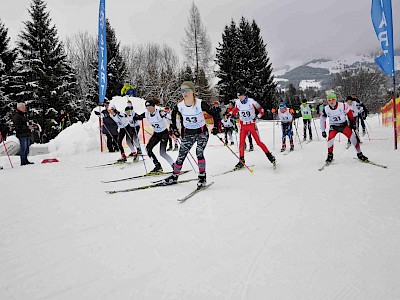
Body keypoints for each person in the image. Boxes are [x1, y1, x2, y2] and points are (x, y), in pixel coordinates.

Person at [162, 81, 218, 187]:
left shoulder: (200, 103)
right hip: (188, 134)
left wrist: (215, 127)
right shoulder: (180, 105)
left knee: (199, 152)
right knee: (181, 155)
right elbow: (173, 114)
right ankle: (174, 176)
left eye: (186, 90)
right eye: (182, 90)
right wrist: (173, 128)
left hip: (202, 133)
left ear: (192, 91)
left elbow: (214, 113)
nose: (184, 93)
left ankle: (202, 177)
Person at [228, 86, 276, 168]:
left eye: (240, 96)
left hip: (251, 125)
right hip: (243, 125)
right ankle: (241, 160)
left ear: (244, 95)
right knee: (241, 143)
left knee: (258, 142)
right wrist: (230, 114)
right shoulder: (238, 102)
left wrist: (257, 117)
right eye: (238, 96)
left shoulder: (252, 102)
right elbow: (235, 110)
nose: (239, 97)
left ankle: (270, 156)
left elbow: (261, 110)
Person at [320, 92, 368, 163]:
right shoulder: (326, 108)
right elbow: (322, 119)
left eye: (333, 99)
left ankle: (360, 154)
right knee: (330, 140)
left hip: (343, 125)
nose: (331, 101)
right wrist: (323, 131)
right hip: (334, 127)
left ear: (336, 100)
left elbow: (349, 113)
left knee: (353, 139)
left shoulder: (342, 105)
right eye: (329, 100)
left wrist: (352, 123)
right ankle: (330, 155)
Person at [134, 98, 175, 173]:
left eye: (149, 107)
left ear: (153, 106)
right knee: (148, 149)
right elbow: (139, 117)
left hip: (164, 134)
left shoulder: (160, 113)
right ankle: (157, 166)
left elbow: (171, 117)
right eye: (146, 107)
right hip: (156, 134)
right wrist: (135, 117)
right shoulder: (146, 114)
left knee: (162, 153)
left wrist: (172, 126)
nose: (148, 109)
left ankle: (174, 166)